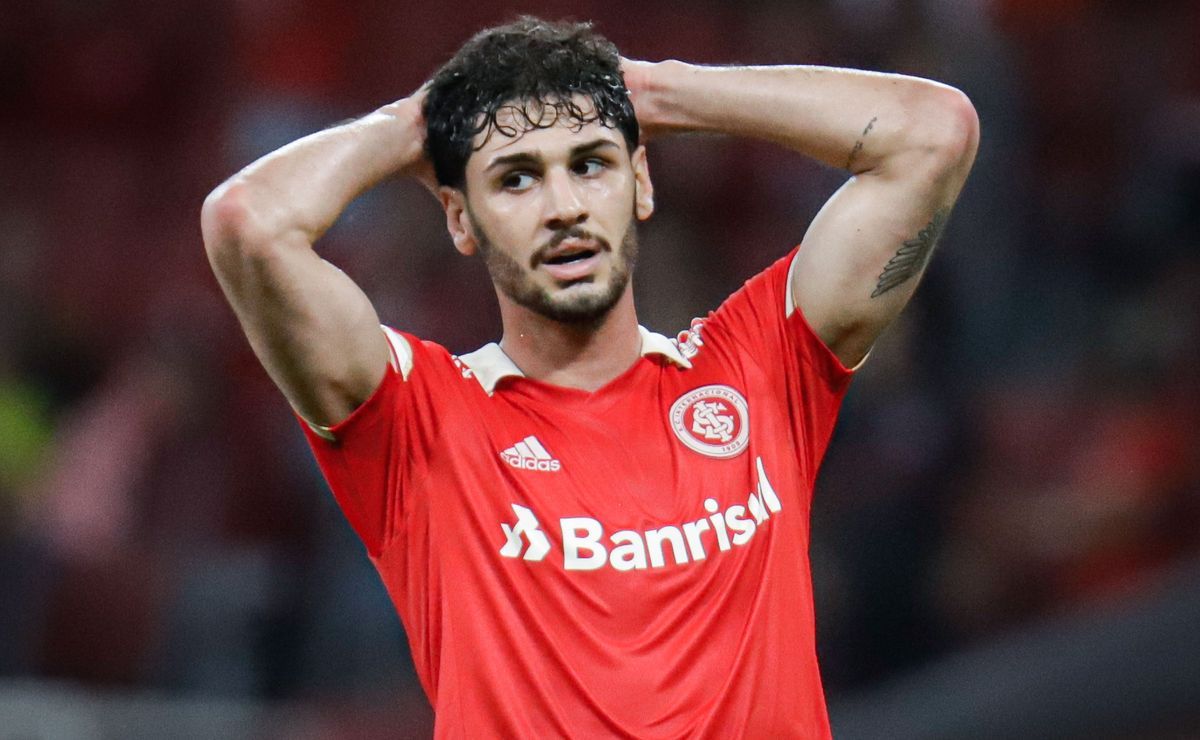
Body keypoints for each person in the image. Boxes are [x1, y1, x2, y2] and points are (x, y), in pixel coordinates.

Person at [201, 16, 978, 738]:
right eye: (515, 179)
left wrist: (656, 91)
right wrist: (426, 119)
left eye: (591, 164)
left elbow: (934, 134)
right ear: (460, 218)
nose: (564, 207)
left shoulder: (759, 368)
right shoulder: (418, 423)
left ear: (642, 182)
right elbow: (248, 223)